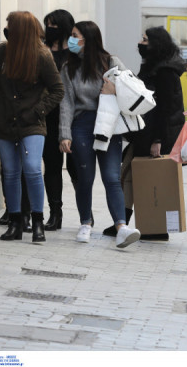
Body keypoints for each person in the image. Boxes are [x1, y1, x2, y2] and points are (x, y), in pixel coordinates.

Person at [0, 11, 64, 243]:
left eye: (10, 25)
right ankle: (16, 222)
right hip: (3, 121)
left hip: (32, 122)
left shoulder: (42, 55)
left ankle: (38, 221)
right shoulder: (3, 52)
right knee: (10, 172)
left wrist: (38, 111)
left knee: (32, 168)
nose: (6, 29)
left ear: (21, 29)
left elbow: (58, 90)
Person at [59, 21, 141, 248]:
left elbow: (133, 87)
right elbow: (66, 102)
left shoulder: (111, 62)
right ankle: (85, 223)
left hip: (109, 124)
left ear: (88, 38)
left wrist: (115, 89)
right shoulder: (69, 68)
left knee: (112, 177)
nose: (71, 40)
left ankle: (121, 227)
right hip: (82, 124)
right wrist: (64, 134)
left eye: (75, 36)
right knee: (85, 178)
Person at [103, 26, 186, 241]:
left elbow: (165, 109)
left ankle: (153, 226)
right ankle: (125, 222)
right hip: (145, 132)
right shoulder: (155, 67)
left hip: (155, 135)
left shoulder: (165, 72)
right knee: (129, 177)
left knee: (141, 179)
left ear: (156, 44)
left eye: (145, 39)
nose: (141, 42)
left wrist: (158, 140)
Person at [41, 9, 78, 231]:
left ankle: (86, 211)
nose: (49, 29)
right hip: (48, 117)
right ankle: (56, 213)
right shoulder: (43, 49)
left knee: (77, 168)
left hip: (73, 117)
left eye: (54, 25)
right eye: (47, 25)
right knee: (52, 167)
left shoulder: (74, 49)